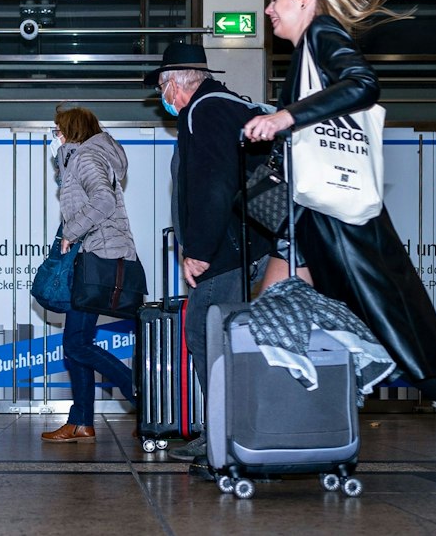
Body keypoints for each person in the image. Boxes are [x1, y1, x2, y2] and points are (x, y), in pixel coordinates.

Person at [243, 0, 436, 482]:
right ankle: (281, 435)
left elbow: (362, 84)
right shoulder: (306, 52)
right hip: (312, 220)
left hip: (339, 220)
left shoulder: (322, 33)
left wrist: (285, 117)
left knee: (382, 322)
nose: (267, 10)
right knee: (282, 319)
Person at [147, 41, 276, 461]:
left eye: (161, 88)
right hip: (244, 242)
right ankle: (227, 431)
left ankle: (224, 435)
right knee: (219, 334)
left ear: (174, 84)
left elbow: (213, 184)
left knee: (208, 332)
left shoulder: (204, 111)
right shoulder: (225, 105)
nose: (162, 97)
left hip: (226, 248)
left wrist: (199, 250)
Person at [43, 104, 140, 443]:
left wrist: (71, 232)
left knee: (76, 344)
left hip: (94, 258)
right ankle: (81, 421)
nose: (55, 136)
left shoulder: (86, 157)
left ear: (71, 130)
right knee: (77, 343)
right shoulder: (80, 158)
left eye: (58, 130)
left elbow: (103, 200)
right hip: (89, 258)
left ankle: (140, 395)